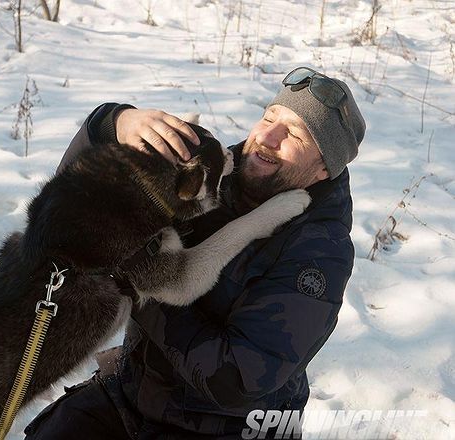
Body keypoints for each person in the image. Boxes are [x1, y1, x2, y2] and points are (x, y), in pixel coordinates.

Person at [23, 67, 366, 439]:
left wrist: (137, 282)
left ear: (321, 170)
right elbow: (65, 215)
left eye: (294, 134)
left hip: (226, 426)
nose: (266, 136)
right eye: (269, 117)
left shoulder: (318, 254)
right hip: (133, 394)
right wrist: (112, 123)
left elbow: (235, 378)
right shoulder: (210, 168)